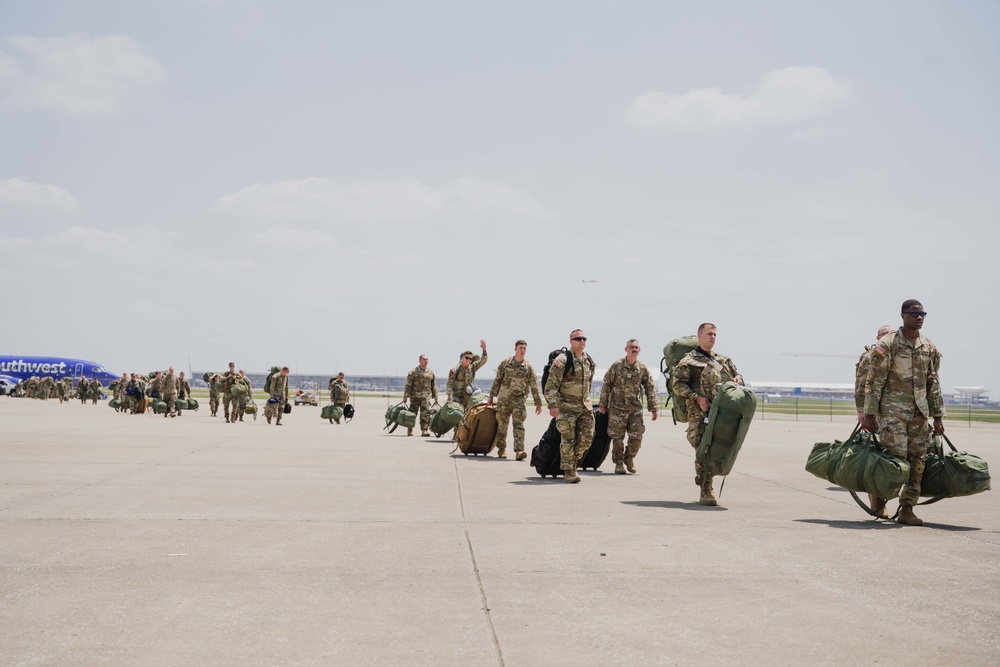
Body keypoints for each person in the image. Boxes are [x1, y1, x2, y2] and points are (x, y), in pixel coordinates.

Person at [863, 300, 944, 526]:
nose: (919, 317)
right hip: (892, 413)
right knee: (894, 460)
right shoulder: (888, 344)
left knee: (918, 463)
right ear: (902, 315)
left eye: (922, 314)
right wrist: (869, 413)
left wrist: (937, 416)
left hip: (919, 415)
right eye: (914, 313)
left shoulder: (929, 347)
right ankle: (878, 498)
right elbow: (874, 380)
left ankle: (907, 509)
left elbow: (933, 383)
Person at [670, 323, 744, 506]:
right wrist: (696, 397)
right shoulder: (689, 361)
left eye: (715, 334)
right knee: (703, 448)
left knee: (719, 448)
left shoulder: (723, 360)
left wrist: (738, 379)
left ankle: (704, 479)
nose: (713, 337)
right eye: (709, 334)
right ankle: (706, 488)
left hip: (722, 412)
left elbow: (740, 377)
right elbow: (677, 385)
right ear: (700, 336)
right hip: (699, 412)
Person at [543, 329, 596, 483]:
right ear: (571, 341)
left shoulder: (589, 361)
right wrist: (552, 405)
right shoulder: (562, 360)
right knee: (568, 439)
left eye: (584, 338)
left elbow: (589, 384)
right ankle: (568, 470)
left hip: (584, 407)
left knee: (587, 438)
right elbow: (551, 384)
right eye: (578, 338)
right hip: (566, 407)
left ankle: (573, 461)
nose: (582, 341)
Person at [599, 339, 658, 475]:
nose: (634, 349)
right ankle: (619, 463)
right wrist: (603, 405)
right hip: (617, 408)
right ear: (626, 349)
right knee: (617, 437)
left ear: (639, 350)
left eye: (636, 347)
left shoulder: (642, 368)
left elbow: (649, 388)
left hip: (634, 409)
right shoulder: (617, 366)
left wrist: (653, 408)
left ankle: (629, 458)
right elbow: (606, 385)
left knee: (637, 435)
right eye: (631, 347)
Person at [854, 323, 895, 518]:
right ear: (878, 338)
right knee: (876, 458)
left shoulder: (900, 355)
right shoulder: (871, 356)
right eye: (885, 334)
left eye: (892, 334)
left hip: (898, 415)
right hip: (875, 415)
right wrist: (861, 412)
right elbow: (861, 384)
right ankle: (878, 503)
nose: (889, 337)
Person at [487, 340, 542, 460]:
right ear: (515, 349)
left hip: (519, 401)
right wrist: (491, 396)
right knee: (502, 425)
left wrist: (538, 403)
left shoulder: (528, 367)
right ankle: (501, 449)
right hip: (504, 400)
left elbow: (534, 386)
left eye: (524, 348)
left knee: (519, 426)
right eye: (520, 348)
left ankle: (519, 450)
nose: (522, 350)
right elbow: (498, 380)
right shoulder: (506, 363)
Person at [403, 355, 438, 437]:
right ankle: (410, 430)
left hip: (426, 398)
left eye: (427, 359)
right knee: (412, 414)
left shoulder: (430, 372)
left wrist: (435, 397)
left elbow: (433, 385)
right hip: (415, 396)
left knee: (425, 414)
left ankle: (424, 430)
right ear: (419, 361)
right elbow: (408, 385)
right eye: (424, 359)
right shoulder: (413, 372)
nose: (426, 361)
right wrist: (405, 396)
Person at [447, 340, 488, 408]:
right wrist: (449, 396)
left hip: (468, 397)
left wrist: (484, 350)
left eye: (470, 359)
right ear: (462, 358)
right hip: (457, 397)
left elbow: (483, 361)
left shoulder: (472, 367)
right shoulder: (455, 370)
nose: (468, 360)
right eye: (467, 358)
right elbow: (450, 383)